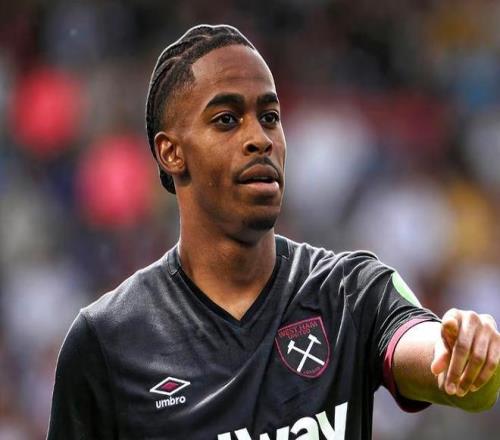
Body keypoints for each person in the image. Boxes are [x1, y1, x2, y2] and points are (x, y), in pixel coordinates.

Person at [47, 24, 500, 440]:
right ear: (172, 153)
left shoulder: (351, 292)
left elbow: (448, 370)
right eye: (227, 119)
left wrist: (465, 354)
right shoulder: (107, 341)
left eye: (270, 117)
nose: (260, 138)